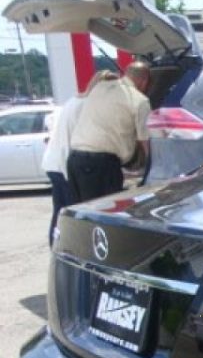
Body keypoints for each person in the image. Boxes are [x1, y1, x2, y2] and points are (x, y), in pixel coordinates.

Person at [41, 70, 119, 246]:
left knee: (60, 211)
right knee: (74, 215)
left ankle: (55, 246)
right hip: (66, 165)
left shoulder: (74, 100)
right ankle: (72, 251)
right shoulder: (88, 106)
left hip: (53, 163)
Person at [67, 60, 151, 202]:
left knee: (82, 212)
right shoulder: (140, 100)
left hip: (75, 160)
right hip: (101, 165)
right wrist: (152, 165)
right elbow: (145, 141)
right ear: (144, 81)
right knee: (105, 212)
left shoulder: (100, 87)